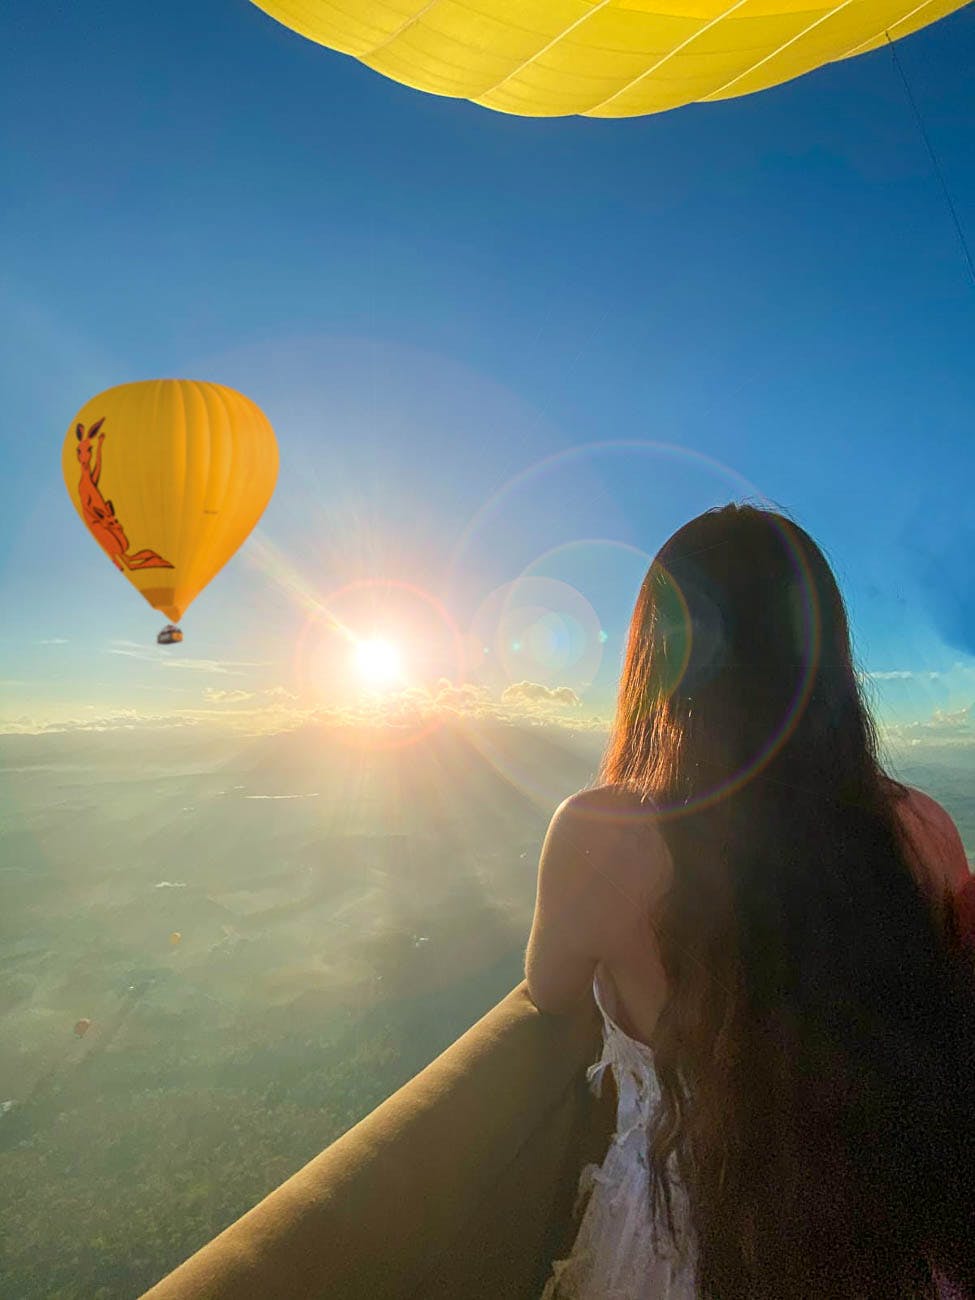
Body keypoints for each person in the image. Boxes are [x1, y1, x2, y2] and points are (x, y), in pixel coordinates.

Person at [527, 503, 975, 1299]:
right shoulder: (921, 831)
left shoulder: (597, 833)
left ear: (658, 655)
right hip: (886, 1241)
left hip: (681, 1250)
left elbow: (551, 990)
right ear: (825, 655)